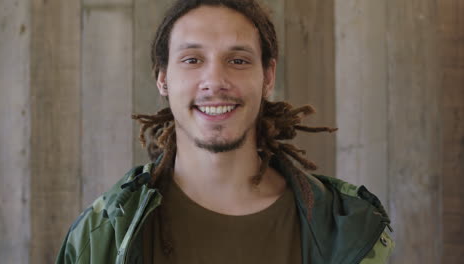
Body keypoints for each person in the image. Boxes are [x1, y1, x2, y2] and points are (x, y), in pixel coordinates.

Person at [56, 0, 394, 263]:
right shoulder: (101, 236)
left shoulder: (346, 228)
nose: (215, 81)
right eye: (192, 60)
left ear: (268, 76)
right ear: (162, 78)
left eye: (238, 60)